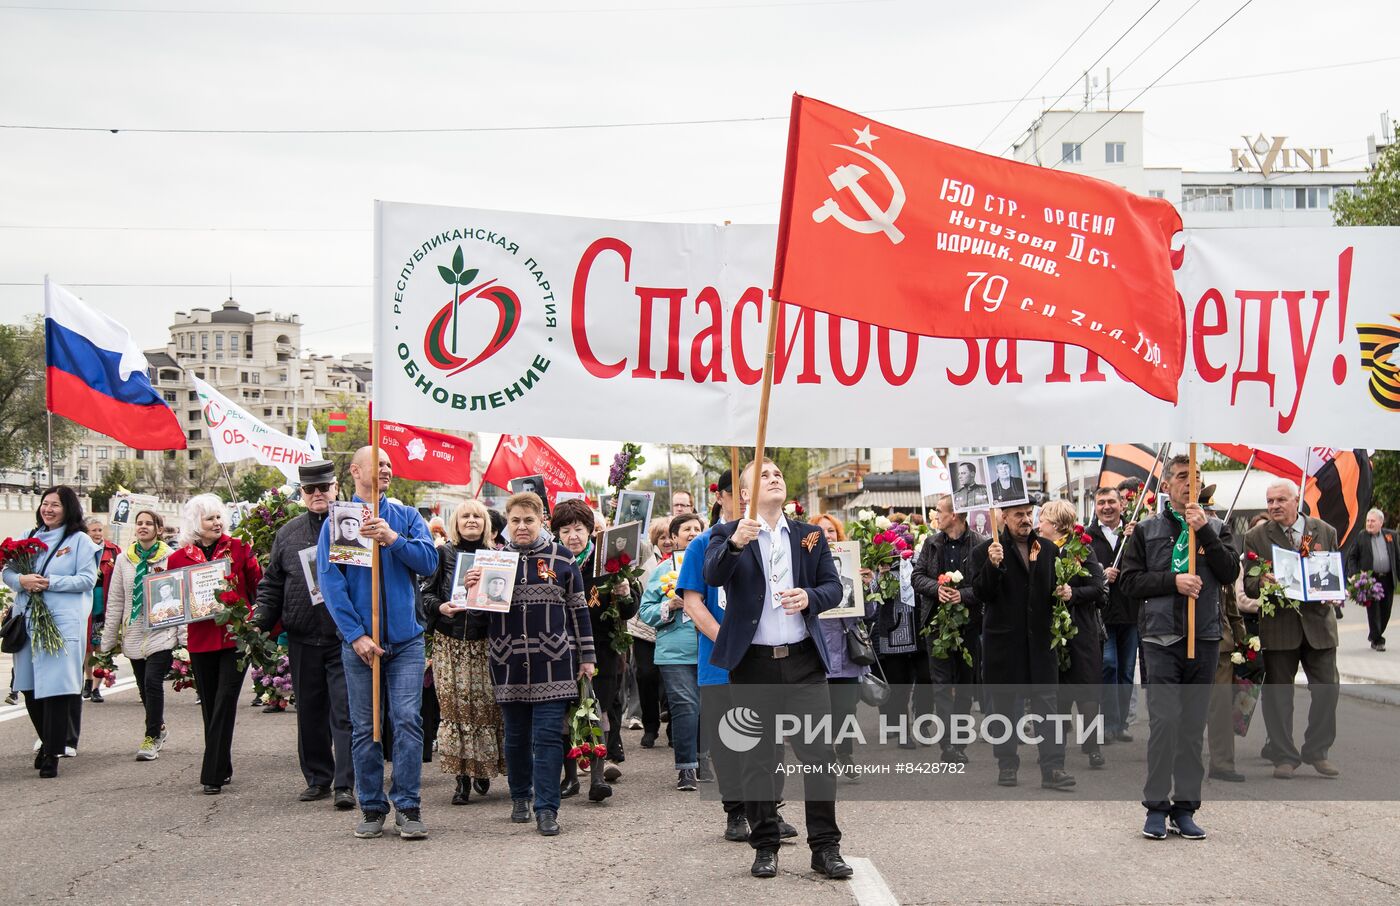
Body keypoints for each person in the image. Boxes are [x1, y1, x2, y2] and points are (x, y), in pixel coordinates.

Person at [703, 458, 852, 881]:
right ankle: (765, 845)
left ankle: (825, 848)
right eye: (763, 475)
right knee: (757, 760)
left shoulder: (810, 536)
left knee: (820, 756)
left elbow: (834, 586)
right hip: (753, 667)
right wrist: (734, 543)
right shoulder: (726, 533)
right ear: (745, 494)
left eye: (777, 473)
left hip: (804, 662)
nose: (774, 477)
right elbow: (713, 575)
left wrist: (810, 596)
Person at [319, 446, 439, 839]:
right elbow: (331, 583)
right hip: (360, 646)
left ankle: (408, 805)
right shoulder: (338, 521)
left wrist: (392, 538)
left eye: (389, 464)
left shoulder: (404, 516)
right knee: (365, 727)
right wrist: (356, 635)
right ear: (355, 471)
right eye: (379, 463)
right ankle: (371, 806)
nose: (387, 469)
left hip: (405, 642)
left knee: (406, 721)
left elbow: (428, 563)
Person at [1119, 454, 1239, 841]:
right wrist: (1174, 583)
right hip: (1160, 638)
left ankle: (1185, 808)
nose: (1190, 483)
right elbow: (1130, 583)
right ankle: (1156, 807)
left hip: (1203, 637)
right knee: (1165, 722)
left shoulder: (1217, 526)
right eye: (1183, 476)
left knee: (1191, 727)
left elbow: (1229, 572)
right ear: (1167, 484)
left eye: (1196, 476)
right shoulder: (1147, 530)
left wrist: (1204, 531)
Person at [466, 491, 595, 837]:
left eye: (529, 520)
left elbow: (579, 611)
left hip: (553, 662)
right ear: (506, 524)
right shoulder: (492, 560)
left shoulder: (563, 559)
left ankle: (547, 808)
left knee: (549, 738)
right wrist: (471, 593)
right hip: (508, 662)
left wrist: (587, 657)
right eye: (515, 521)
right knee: (516, 738)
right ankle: (520, 796)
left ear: (542, 522)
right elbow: (478, 620)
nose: (521, 527)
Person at [252, 460, 355, 809]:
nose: (317, 494)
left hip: (345, 636)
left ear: (336, 488)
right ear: (301, 494)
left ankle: (345, 783)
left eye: (323, 487)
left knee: (344, 712)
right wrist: (259, 621)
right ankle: (318, 778)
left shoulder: (350, 526)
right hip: (302, 636)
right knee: (309, 712)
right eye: (310, 489)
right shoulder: (288, 533)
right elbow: (272, 583)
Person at [971, 501, 1074, 791]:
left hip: (1040, 643)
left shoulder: (1049, 549)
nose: (1026, 519)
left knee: (1048, 707)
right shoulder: (985, 550)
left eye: (1030, 514)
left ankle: (1053, 768)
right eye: (1019, 515)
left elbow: (1056, 590)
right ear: (1003, 517)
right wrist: (993, 566)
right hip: (1004, 642)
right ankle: (1007, 764)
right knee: (1004, 707)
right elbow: (980, 593)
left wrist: (1065, 592)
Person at [1244, 479, 1341, 780]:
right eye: (1269, 501)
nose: (1273, 506)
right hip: (1279, 627)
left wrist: (1334, 591)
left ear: (1295, 500)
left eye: (1280, 500)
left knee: (1328, 689)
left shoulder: (1325, 531)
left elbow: (1334, 572)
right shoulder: (1255, 536)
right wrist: (1262, 582)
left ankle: (1317, 750)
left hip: (1318, 625)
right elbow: (1247, 582)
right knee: (1278, 697)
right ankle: (1284, 755)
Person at [168, 493, 263, 795]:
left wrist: (255, 620)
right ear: (195, 523)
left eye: (219, 517)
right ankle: (223, 764)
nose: (217, 523)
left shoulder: (239, 549)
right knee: (210, 705)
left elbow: (257, 586)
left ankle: (211, 773)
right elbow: (171, 599)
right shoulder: (178, 558)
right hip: (200, 639)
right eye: (209, 518)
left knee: (225, 701)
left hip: (235, 637)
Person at [3, 486, 98, 778]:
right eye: (45, 504)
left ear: (68, 508)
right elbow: (6, 571)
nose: (49, 509)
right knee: (29, 686)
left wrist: (47, 582)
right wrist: (21, 579)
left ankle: (53, 753)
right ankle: (47, 742)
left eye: (55, 505)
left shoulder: (80, 540)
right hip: (27, 621)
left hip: (60, 623)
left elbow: (86, 580)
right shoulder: (28, 537)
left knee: (55, 689)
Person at [553, 498, 639, 800]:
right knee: (567, 714)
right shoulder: (553, 563)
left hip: (603, 649)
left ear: (590, 530)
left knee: (597, 711)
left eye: (578, 528)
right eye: (565, 530)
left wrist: (625, 593)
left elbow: (629, 610)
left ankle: (598, 779)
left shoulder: (609, 563)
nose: (572, 536)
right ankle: (571, 777)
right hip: (561, 650)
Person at [421, 499, 506, 806]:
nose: (471, 520)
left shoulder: (500, 556)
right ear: (456, 522)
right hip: (451, 643)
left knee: (485, 707)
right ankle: (462, 779)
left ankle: (482, 769)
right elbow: (425, 594)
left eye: (477, 516)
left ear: (486, 524)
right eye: (465, 516)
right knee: (455, 709)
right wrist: (440, 608)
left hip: (486, 643)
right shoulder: (442, 554)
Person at [911, 494, 986, 764]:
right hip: (936, 624)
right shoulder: (931, 543)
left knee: (965, 685)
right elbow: (917, 577)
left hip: (968, 626)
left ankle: (960, 741)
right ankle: (948, 745)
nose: (935, 515)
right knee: (941, 685)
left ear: (954, 515)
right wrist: (938, 589)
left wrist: (962, 595)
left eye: (939, 511)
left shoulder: (980, 544)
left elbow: (986, 586)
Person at [100, 509, 180, 761]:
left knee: (153, 682)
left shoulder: (170, 557)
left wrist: (184, 638)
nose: (143, 527)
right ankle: (160, 727)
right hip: (134, 631)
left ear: (159, 529)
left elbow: (181, 598)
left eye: (149, 523)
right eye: (139, 523)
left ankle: (151, 737)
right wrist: (109, 638)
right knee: (143, 685)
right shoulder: (125, 559)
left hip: (162, 631)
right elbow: (116, 600)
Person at [1038, 500, 1108, 771]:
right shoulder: (1039, 550)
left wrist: (1073, 593)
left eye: (1042, 519)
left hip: (1081, 629)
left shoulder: (1081, 549)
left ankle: (1093, 746)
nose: (1038, 524)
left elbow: (1098, 589)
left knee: (1087, 688)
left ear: (1055, 524)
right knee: (1056, 691)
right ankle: (1053, 749)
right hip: (1051, 630)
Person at [640, 512, 706, 791]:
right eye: (685, 530)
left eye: (697, 529)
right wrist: (671, 606)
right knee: (685, 708)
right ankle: (686, 768)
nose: (691, 533)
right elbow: (645, 611)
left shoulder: (712, 566)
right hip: (674, 653)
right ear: (674, 537)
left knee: (707, 709)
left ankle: (706, 761)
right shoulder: (664, 569)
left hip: (709, 649)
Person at [810, 513, 875, 778]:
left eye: (832, 531)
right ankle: (824, 755)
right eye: (822, 531)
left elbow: (868, 613)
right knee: (820, 708)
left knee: (847, 707)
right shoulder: (804, 571)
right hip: (818, 650)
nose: (828, 535)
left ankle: (845, 752)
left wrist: (867, 588)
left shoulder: (851, 575)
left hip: (848, 651)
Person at [1087, 487, 1137, 744]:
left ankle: (1121, 723)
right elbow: (1080, 572)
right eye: (1101, 502)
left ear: (1122, 505)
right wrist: (1101, 576)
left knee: (1126, 671)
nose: (1106, 507)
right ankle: (1107, 722)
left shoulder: (1135, 533)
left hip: (1130, 612)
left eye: (1111, 502)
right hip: (1102, 614)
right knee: (1108, 666)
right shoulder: (1086, 537)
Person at [1346, 508, 1397, 651]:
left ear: (1381, 522)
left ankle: (1376, 635)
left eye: (1372, 521)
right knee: (1373, 611)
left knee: (1386, 611)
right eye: (1367, 521)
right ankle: (1377, 640)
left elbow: (1396, 558)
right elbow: (1352, 557)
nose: (1369, 523)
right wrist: (1355, 575)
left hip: (1387, 579)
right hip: (1370, 580)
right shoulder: (1361, 536)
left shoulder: (1391, 536)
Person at [84, 517, 121, 704]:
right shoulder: (80, 550)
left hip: (105, 603)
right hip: (85, 605)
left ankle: (97, 687)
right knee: (85, 647)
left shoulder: (113, 550)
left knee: (101, 645)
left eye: (99, 530)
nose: (97, 533)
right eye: (93, 530)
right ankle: (88, 680)